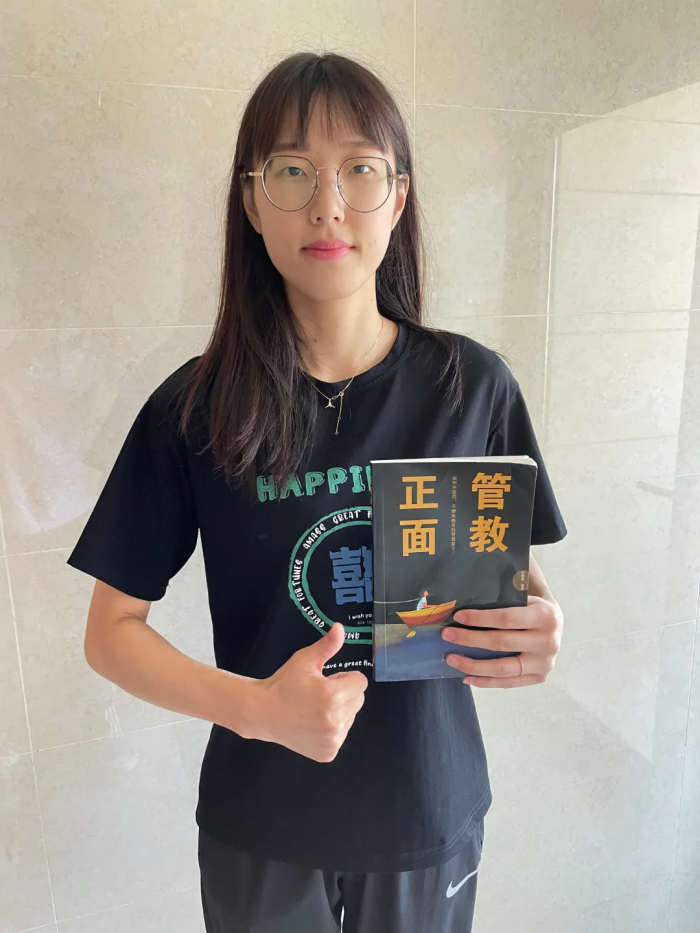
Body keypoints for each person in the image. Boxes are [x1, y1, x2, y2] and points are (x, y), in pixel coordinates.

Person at [67, 51, 567, 933]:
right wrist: (257, 707)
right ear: (251, 201)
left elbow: (506, 582)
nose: (328, 205)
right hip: (262, 821)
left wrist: (533, 628)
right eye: (292, 171)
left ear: (398, 197)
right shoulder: (193, 407)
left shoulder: (470, 386)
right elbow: (110, 633)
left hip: (426, 808)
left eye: (360, 170)